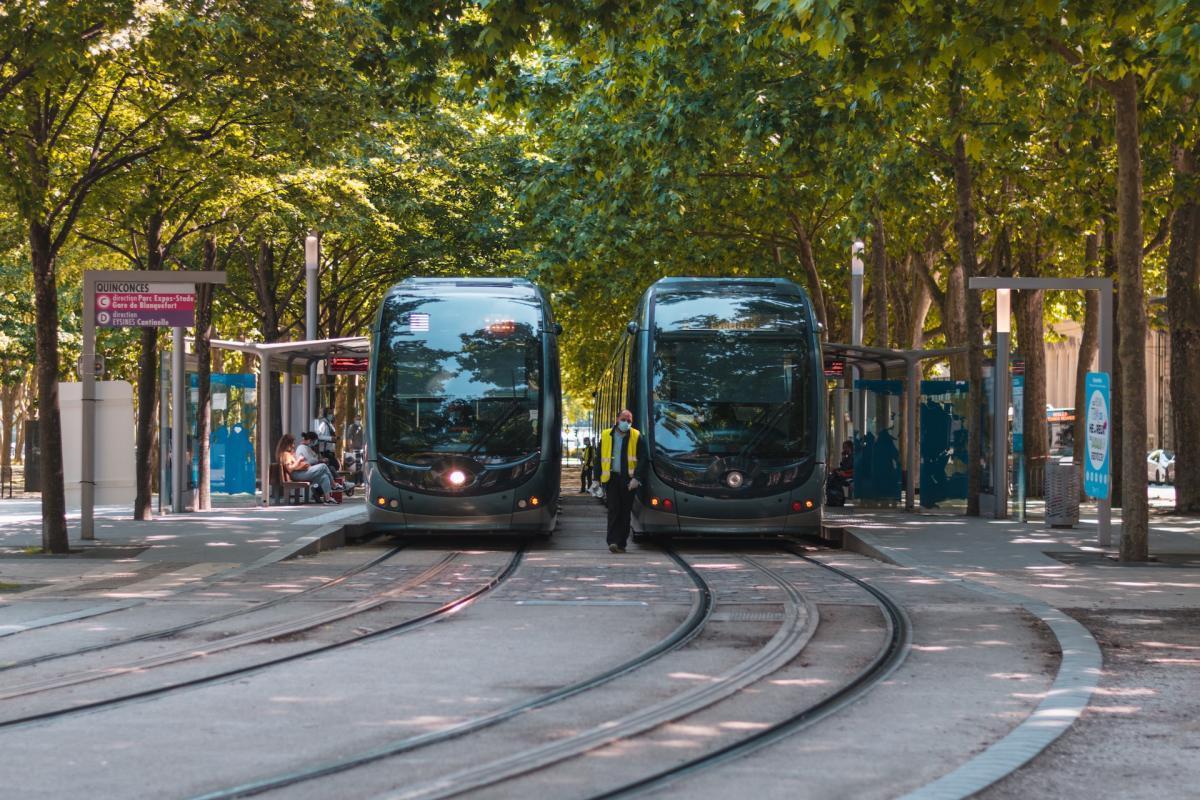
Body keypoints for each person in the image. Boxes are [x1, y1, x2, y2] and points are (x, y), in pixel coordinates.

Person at [599, 409, 646, 554]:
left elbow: (643, 459)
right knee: (613, 510)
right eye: (624, 419)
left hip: (628, 481)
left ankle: (621, 543)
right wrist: (595, 479)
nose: (626, 423)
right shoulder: (606, 435)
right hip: (611, 479)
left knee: (625, 513)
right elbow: (598, 457)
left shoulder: (636, 436)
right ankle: (612, 541)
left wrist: (637, 478)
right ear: (617, 419)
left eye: (629, 420)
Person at [276, 433, 336, 504]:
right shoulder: (285, 454)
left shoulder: (288, 453)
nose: (294, 445)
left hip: (299, 473)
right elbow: (290, 468)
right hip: (296, 475)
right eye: (293, 443)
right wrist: (299, 460)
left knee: (324, 477)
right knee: (323, 466)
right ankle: (334, 485)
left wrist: (301, 463)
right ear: (288, 444)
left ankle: (328, 499)